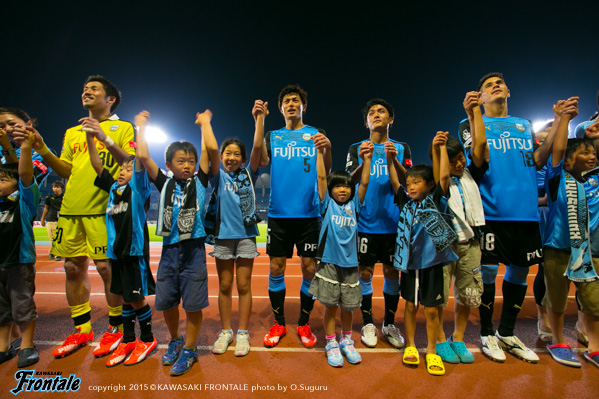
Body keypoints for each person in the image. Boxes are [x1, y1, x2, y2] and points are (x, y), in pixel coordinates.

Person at [11, 76, 136, 359]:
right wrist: (42, 148)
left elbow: (128, 163)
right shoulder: (72, 132)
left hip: (104, 210)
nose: (86, 92)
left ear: (110, 99)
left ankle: (115, 328)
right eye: (84, 89)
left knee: (107, 270)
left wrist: (101, 136)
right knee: (71, 268)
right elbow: (66, 170)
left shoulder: (122, 127)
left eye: (94, 89)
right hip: (70, 210)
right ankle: (82, 329)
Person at [457, 72, 565, 363]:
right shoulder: (469, 123)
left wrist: (557, 123)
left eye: (500, 83)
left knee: (520, 272)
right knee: (489, 274)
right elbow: (478, 156)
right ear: (480, 97)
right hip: (493, 212)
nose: (496, 86)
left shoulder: (524, 125)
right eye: (488, 85)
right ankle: (487, 333)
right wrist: (473, 113)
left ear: (508, 90)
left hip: (526, 213)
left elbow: (538, 159)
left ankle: (507, 332)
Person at [136, 109, 219, 376]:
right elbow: (143, 157)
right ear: (169, 164)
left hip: (194, 250)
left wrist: (205, 124)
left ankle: (191, 349)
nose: (187, 165)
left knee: (193, 304)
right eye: (180, 161)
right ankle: (175, 340)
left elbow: (211, 150)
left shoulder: (200, 181)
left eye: (191, 161)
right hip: (170, 251)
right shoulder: (164, 182)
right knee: (168, 302)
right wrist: (141, 127)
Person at [85, 110, 157, 367]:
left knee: (135, 298)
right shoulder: (113, 190)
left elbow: (139, 159)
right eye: (121, 168)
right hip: (117, 252)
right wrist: (92, 140)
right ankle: (128, 339)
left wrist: (141, 129)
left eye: (129, 168)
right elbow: (97, 165)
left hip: (134, 250)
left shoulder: (138, 188)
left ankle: (147, 338)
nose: (123, 171)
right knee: (125, 297)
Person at [262, 84, 332, 348]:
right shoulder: (273, 136)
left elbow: (326, 169)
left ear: (304, 106)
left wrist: (328, 148)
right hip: (279, 214)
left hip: (309, 214)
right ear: (281, 109)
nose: (291, 104)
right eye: (287, 101)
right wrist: (259, 122)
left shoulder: (316, 134)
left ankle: (303, 322)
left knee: (310, 268)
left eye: (296, 100)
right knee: (275, 267)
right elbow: (258, 161)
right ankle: (278, 323)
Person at [389, 131, 458, 376]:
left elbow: (444, 176)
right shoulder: (405, 203)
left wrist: (438, 148)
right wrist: (390, 160)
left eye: (415, 182)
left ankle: (431, 350)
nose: (410, 187)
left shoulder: (436, 199)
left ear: (429, 185)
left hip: (432, 265)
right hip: (410, 265)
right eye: (408, 184)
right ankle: (410, 345)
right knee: (409, 306)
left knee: (431, 309)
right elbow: (396, 182)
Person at [345, 98, 412, 348]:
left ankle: (390, 323)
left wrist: (394, 161)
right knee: (364, 273)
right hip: (364, 224)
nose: (376, 115)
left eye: (381, 111)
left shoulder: (402, 147)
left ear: (390, 119)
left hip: (395, 226)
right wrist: (364, 161)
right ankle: (368, 323)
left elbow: (411, 185)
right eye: (371, 112)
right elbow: (346, 184)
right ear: (366, 122)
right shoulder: (356, 148)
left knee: (392, 273)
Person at [207, 100, 267, 357]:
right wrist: (206, 124)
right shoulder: (216, 176)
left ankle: (242, 332)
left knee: (244, 286)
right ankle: (225, 331)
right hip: (222, 237)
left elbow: (256, 147)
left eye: (236, 154)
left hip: (245, 236)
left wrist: (259, 119)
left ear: (242, 159)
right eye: (226, 153)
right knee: (224, 286)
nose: (231, 157)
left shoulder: (247, 176)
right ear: (221, 158)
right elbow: (209, 149)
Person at [433, 92, 488, 365]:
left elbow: (478, 147)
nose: (460, 162)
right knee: (440, 296)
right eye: (453, 159)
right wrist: (440, 151)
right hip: (445, 247)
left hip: (470, 244)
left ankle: (459, 337)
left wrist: (473, 112)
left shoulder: (471, 174)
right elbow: (441, 174)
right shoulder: (438, 181)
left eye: (461, 158)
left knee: (468, 295)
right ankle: (441, 340)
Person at [309, 139, 372, 367]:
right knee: (330, 305)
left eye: (346, 186)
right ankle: (330, 342)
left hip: (350, 264)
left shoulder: (355, 204)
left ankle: (346, 340)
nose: (342, 189)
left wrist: (366, 161)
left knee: (348, 306)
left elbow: (363, 183)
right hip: (328, 262)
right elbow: (322, 178)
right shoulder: (327, 204)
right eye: (338, 186)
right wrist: (319, 152)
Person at [0, 130, 40, 367]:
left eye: (4, 179)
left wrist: (24, 147)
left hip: (19, 263)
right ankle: (3, 346)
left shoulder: (24, 201)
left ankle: (27, 345)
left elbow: (24, 173)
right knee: (2, 310)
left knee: (23, 305)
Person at [0, 108, 53, 185]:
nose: (7, 129)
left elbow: (21, 179)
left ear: (29, 124)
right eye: (1, 126)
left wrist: (6, 148)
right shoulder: (1, 147)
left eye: (12, 124)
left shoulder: (44, 153)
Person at [41, 181, 65, 261]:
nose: (56, 189)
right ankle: (55, 253)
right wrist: (42, 219)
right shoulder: (49, 198)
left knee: (60, 238)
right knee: (52, 237)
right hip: (51, 219)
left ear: (61, 188)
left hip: (62, 220)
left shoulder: (65, 197)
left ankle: (54, 252)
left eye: (57, 187)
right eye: (54, 187)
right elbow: (46, 208)